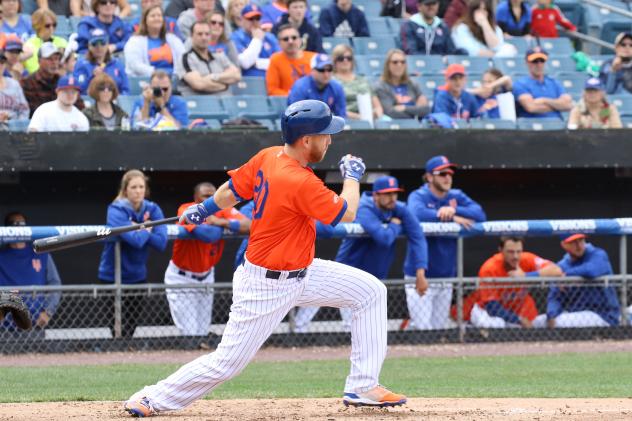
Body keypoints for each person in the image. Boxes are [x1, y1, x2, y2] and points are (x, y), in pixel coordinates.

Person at [123, 99, 408, 417]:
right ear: (306, 140)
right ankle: (153, 398)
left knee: (370, 291)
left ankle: (363, 385)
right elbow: (347, 211)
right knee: (226, 364)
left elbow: (232, 190)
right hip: (266, 284)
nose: (330, 140)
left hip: (303, 271)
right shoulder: (299, 180)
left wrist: (204, 208)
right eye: (325, 134)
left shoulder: (269, 156)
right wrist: (353, 177)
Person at [294, 175, 429, 333]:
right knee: (319, 299)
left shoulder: (398, 208)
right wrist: (394, 225)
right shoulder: (363, 207)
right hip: (348, 272)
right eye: (387, 194)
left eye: (394, 193)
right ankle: (295, 333)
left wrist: (420, 272)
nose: (392, 197)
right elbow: (384, 238)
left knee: (363, 328)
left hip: (374, 275)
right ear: (376, 195)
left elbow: (418, 235)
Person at [404, 155, 486, 330]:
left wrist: (453, 209)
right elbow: (415, 213)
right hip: (420, 275)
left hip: (446, 276)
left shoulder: (455, 196)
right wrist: (449, 216)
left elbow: (479, 214)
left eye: (450, 173)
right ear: (429, 177)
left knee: (439, 328)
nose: (447, 177)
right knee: (422, 329)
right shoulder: (419, 195)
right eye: (442, 173)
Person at [165, 182, 248, 337]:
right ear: (196, 198)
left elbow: (250, 225)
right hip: (181, 278)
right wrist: (222, 227)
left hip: (207, 276)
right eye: (205, 196)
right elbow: (209, 235)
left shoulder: (223, 210)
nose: (210, 199)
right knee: (190, 333)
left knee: (202, 332)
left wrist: (220, 222)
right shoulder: (187, 209)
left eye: (213, 196)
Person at [98, 170, 167, 338]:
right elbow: (134, 241)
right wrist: (146, 227)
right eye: (133, 187)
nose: (138, 191)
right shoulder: (115, 209)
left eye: (141, 187)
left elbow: (161, 243)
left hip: (137, 275)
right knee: (116, 328)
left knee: (131, 327)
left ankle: (126, 354)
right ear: (125, 190)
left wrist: (136, 227)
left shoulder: (153, 208)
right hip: (111, 275)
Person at [466, 236, 563, 329]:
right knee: (497, 324)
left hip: (519, 311)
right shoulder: (489, 268)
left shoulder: (526, 259)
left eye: (518, 251)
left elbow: (557, 270)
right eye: (510, 252)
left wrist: (526, 276)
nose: (516, 256)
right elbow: (492, 308)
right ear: (501, 250)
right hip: (486, 312)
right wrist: (518, 320)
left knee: (548, 322)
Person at [531, 234, 621, 328]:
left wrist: (567, 275)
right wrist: (551, 315)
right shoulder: (563, 265)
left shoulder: (598, 254)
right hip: (575, 315)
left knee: (560, 323)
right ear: (564, 244)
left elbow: (591, 270)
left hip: (603, 315)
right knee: (536, 322)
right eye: (573, 242)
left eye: (581, 240)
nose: (578, 245)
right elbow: (555, 297)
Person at [0, 212, 61, 330]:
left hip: (35, 323)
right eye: (14, 225)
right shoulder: (1, 256)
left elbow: (55, 283)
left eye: (21, 225)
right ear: (7, 229)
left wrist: (48, 311)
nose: (18, 228)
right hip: (5, 326)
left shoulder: (40, 253)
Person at [175, 21, 241, 96]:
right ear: (192, 36)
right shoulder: (186, 58)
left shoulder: (219, 56)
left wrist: (213, 77)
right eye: (200, 34)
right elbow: (198, 84)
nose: (204, 38)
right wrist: (225, 86)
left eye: (207, 34)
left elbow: (236, 75)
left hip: (225, 104)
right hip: (200, 104)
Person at [21, 43, 84, 118]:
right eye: (49, 59)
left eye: (57, 59)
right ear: (39, 61)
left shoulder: (64, 82)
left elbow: (80, 107)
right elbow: (31, 112)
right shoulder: (27, 83)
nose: (54, 62)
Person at [124, 5, 185, 77]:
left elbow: (183, 59)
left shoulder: (173, 39)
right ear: (145, 20)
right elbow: (134, 64)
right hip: (148, 79)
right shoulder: (135, 41)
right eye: (153, 16)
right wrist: (155, 73)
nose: (157, 18)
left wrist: (174, 73)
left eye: (159, 16)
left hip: (173, 78)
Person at [513, 47, 572, 119]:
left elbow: (568, 105)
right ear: (527, 62)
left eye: (542, 60)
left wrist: (544, 100)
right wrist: (558, 106)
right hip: (533, 126)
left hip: (557, 126)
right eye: (535, 61)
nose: (539, 64)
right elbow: (531, 107)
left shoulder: (554, 83)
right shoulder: (520, 84)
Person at [331, 44, 383, 120]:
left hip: (370, 118)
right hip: (345, 119)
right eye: (341, 58)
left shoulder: (363, 80)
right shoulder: (331, 82)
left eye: (349, 58)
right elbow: (334, 109)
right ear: (335, 61)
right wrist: (359, 118)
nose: (345, 60)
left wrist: (376, 113)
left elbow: (378, 106)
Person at [374, 48, 429, 120]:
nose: (399, 65)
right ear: (387, 65)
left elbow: (426, 110)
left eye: (403, 62)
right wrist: (415, 111)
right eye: (395, 62)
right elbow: (389, 112)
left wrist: (404, 108)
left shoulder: (413, 84)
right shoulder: (381, 86)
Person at [451, 0, 516, 57]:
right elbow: (470, 51)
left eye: (485, 10)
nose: (481, 13)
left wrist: (485, 24)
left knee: (509, 48)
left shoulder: (496, 29)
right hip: (474, 62)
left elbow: (497, 47)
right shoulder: (461, 28)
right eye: (478, 10)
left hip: (495, 63)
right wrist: (493, 55)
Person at [73, 28, 129, 95]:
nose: (99, 47)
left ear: (108, 44)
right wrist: (92, 77)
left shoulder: (117, 64)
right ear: (89, 46)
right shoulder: (81, 64)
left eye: (102, 43)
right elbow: (77, 90)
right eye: (94, 44)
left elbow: (126, 90)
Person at [266, 24, 316, 96]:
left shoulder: (313, 58)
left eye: (294, 37)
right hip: (287, 104)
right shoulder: (275, 60)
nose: (290, 41)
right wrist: (294, 97)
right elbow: (272, 90)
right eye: (286, 39)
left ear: (300, 40)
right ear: (279, 43)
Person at [230, 4, 280, 77]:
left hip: (271, 80)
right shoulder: (235, 37)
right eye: (250, 18)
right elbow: (245, 63)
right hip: (247, 82)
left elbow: (280, 62)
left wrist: (255, 63)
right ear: (242, 20)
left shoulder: (270, 37)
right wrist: (257, 40)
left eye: (257, 18)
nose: (254, 22)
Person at [400, 0, 464, 56]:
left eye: (434, 4)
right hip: (419, 64)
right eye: (427, 4)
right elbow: (410, 51)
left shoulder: (442, 26)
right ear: (419, 6)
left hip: (442, 65)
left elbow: (451, 50)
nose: (431, 7)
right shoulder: (409, 25)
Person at [23, 9, 67, 75]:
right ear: (38, 26)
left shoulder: (62, 42)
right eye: (47, 26)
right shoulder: (29, 44)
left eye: (54, 25)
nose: (51, 28)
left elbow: (69, 64)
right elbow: (32, 68)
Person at [0, 51, 30, 127]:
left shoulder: (14, 84)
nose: (0, 65)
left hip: (12, 130)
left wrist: (16, 125)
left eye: (2, 62)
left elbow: (24, 110)